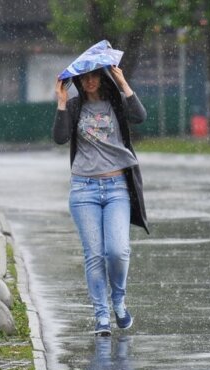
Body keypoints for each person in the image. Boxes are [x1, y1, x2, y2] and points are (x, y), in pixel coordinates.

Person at [52, 66, 149, 337]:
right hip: (84, 190)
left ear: (103, 77)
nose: (90, 80)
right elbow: (59, 138)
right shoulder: (73, 107)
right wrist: (61, 101)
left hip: (117, 186)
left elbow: (140, 116)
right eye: (85, 77)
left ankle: (118, 301)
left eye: (95, 75)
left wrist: (123, 81)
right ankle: (101, 315)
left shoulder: (117, 103)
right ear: (79, 81)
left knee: (117, 251)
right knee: (94, 255)